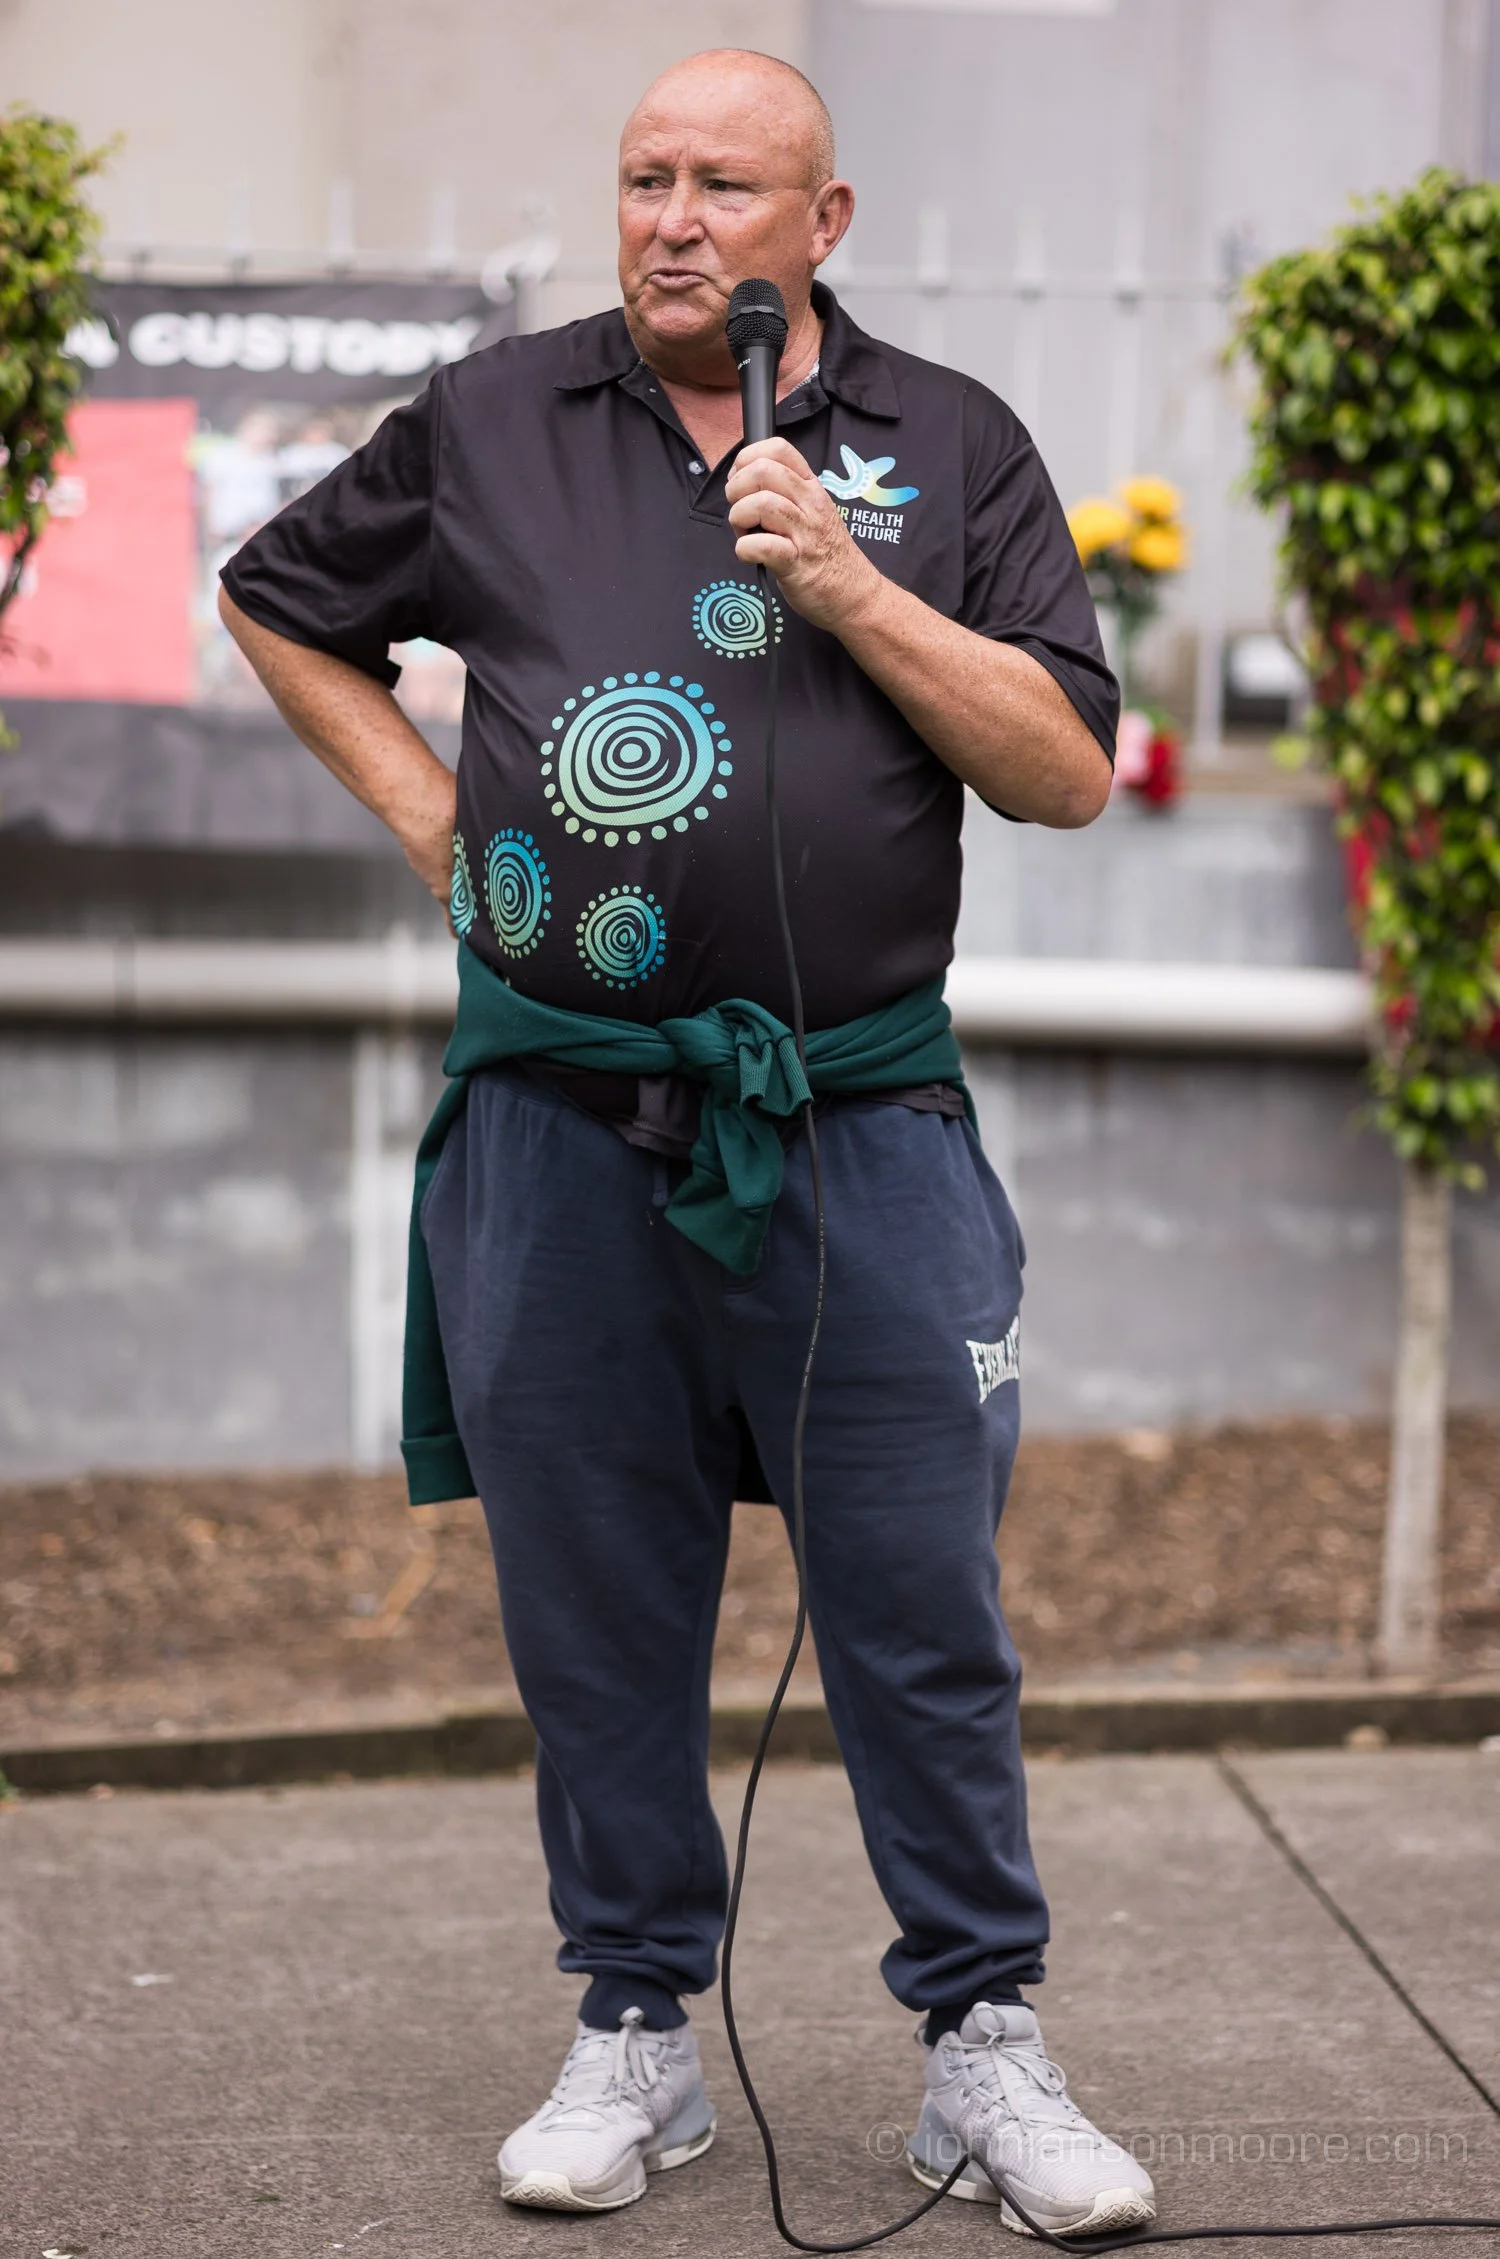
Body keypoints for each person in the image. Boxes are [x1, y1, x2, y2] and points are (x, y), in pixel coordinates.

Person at [219, 47, 1155, 2242]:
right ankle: (635, 2024)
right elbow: (280, 596)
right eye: (645, 177)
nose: (672, 219)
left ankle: (983, 2041)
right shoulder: (494, 419)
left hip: (858, 1116)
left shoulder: (950, 442)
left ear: (823, 225)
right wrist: (438, 827)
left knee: (920, 1604)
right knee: (594, 1602)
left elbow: (1062, 769)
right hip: (556, 1125)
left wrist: (848, 584)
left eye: (726, 184)